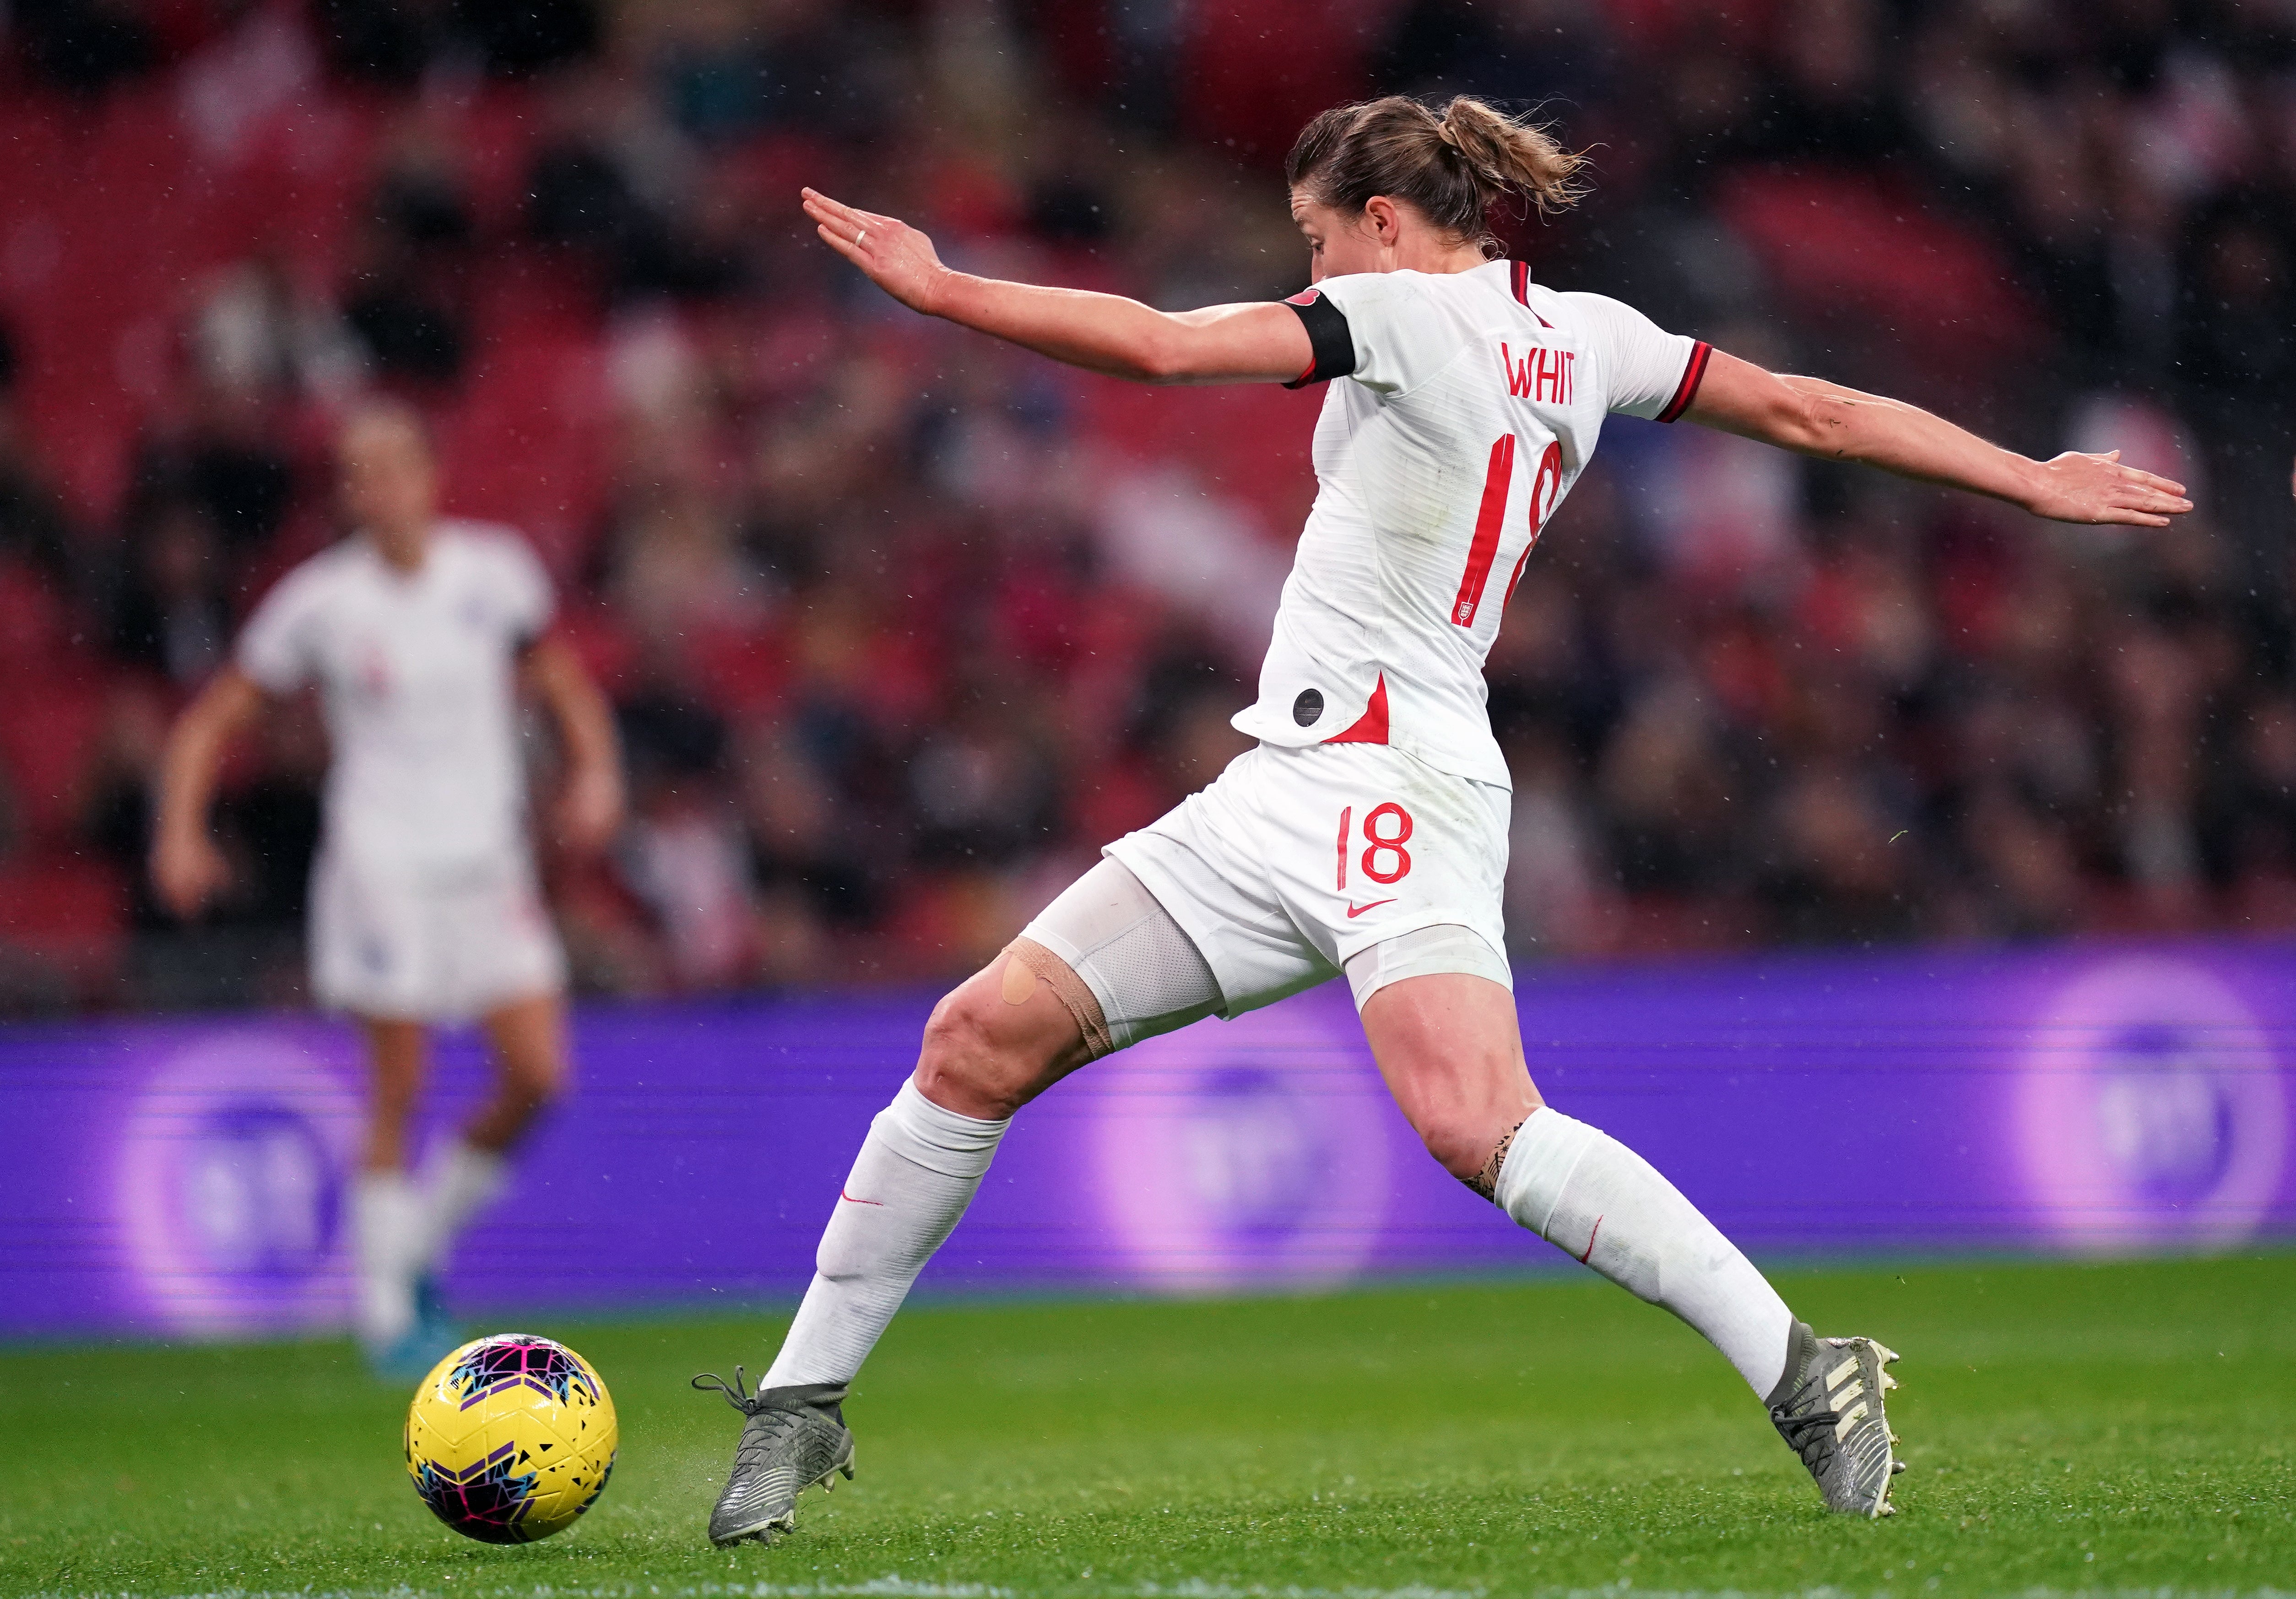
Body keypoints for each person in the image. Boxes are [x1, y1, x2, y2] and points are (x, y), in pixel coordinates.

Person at [689, 96, 2193, 1541]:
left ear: (1390, 225)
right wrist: (2023, 479)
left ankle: (1803, 1368)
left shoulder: (1401, 315)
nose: (1307, 268)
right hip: (1280, 784)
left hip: (1393, 782)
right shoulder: (1593, 335)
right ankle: (803, 1398)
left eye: (1315, 236)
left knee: (1476, 1123)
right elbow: (1807, 404)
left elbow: (1159, 345)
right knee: (975, 1039)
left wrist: (947, 290)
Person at [152, 401, 625, 1378]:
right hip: (382, 868)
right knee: (399, 1087)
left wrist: (596, 773)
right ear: (349, 494)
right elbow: (210, 723)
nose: (379, 489)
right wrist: (181, 831)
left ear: (428, 477)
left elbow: (566, 685)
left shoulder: (492, 574)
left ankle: (411, 1251)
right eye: (359, 474)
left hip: (486, 863)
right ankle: (382, 1317)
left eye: (394, 468)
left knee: (539, 1076)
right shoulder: (320, 604)